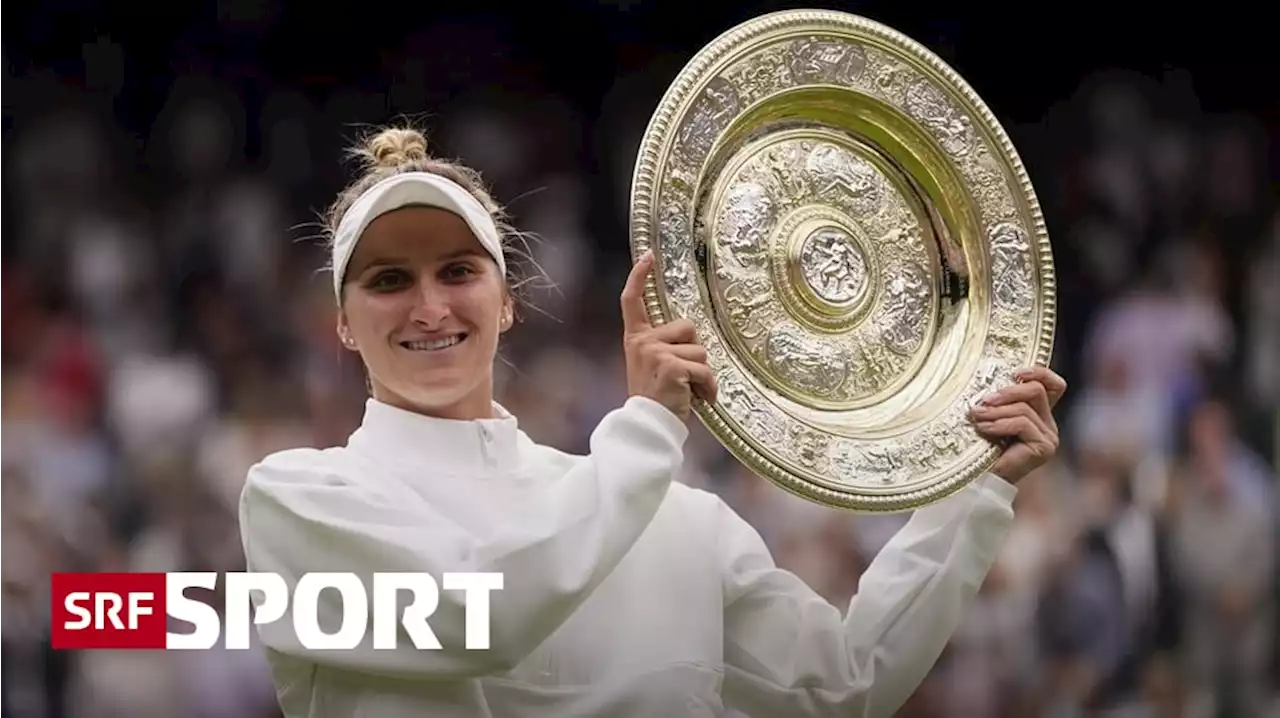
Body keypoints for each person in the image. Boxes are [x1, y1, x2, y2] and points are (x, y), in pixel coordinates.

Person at [238, 124, 1067, 718]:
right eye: (387, 280)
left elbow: (845, 685)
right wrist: (643, 433)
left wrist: (971, 492)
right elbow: (470, 621)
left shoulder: (674, 517)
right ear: (342, 323)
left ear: (508, 303)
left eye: (459, 271)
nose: (429, 306)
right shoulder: (302, 500)